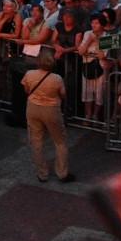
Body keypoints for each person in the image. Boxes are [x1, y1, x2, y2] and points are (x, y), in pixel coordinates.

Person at [21, 47, 74, 183]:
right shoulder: (56, 78)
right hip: (51, 109)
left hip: (33, 108)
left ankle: (42, 173)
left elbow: (26, 89)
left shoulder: (29, 74)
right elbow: (63, 94)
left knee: (36, 141)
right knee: (60, 141)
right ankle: (62, 173)